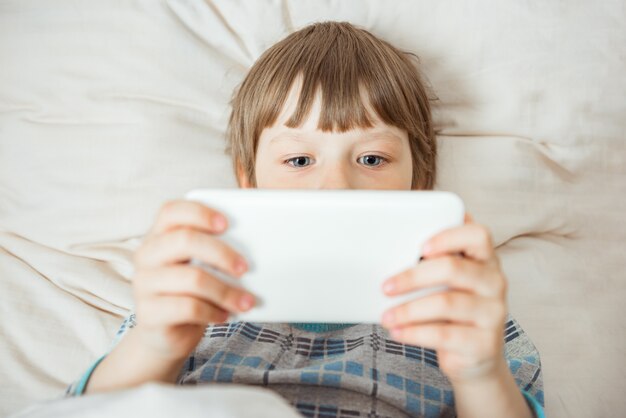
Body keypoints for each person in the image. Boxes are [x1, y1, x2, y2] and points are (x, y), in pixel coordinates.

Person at [64, 21, 545, 417]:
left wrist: (480, 372)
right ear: (248, 181)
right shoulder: (194, 295)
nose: (335, 187)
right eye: (299, 161)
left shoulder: (462, 312)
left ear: (418, 183)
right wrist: (154, 343)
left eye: (373, 159)